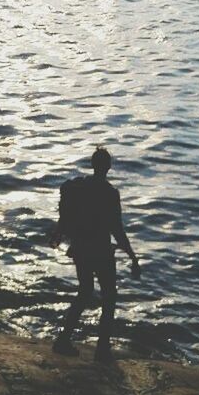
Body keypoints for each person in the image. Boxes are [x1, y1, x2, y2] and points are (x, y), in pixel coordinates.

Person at [49, 146, 140, 362]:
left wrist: (59, 234)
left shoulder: (80, 188)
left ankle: (63, 339)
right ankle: (102, 349)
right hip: (100, 250)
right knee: (109, 297)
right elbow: (117, 229)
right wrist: (133, 257)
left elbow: (68, 215)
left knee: (85, 291)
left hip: (80, 248)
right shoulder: (110, 193)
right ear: (108, 167)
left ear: (92, 164)